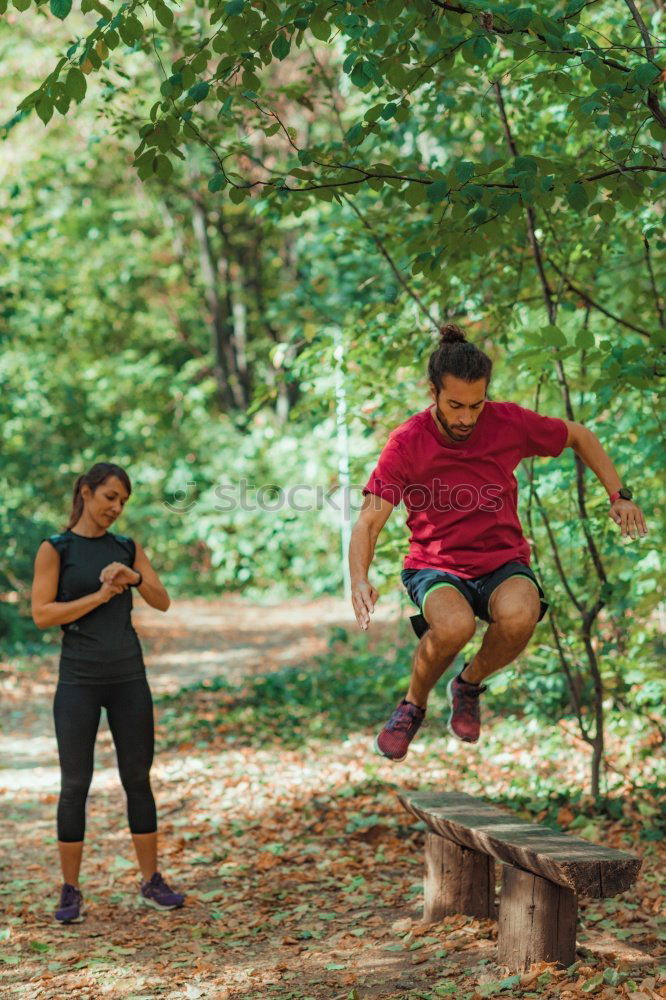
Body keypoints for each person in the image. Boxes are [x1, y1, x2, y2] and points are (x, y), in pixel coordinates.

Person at [349, 324, 648, 762]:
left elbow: (579, 435)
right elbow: (369, 521)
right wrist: (359, 578)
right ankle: (412, 705)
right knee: (455, 626)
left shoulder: (507, 422)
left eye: (476, 404)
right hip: (436, 565)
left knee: (522, 615)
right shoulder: (407, 442)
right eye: (455, 405)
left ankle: (468, 685)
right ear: (432, 392)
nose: (467, 417)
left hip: (502, 561)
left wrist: (618, 496)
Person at [31, 462, 185, 923]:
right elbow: (42, 614)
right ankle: (70, 890)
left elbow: (162, 600)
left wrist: (135, 577)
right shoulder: (55, 549)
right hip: (78, 680)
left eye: (122, 501)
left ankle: (151, 881)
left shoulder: (127, 548)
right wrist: (98, 597)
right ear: (86, 491)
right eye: (109, 497)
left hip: (127, 679)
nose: (116, 508)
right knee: (75, 783)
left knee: (137, 779)